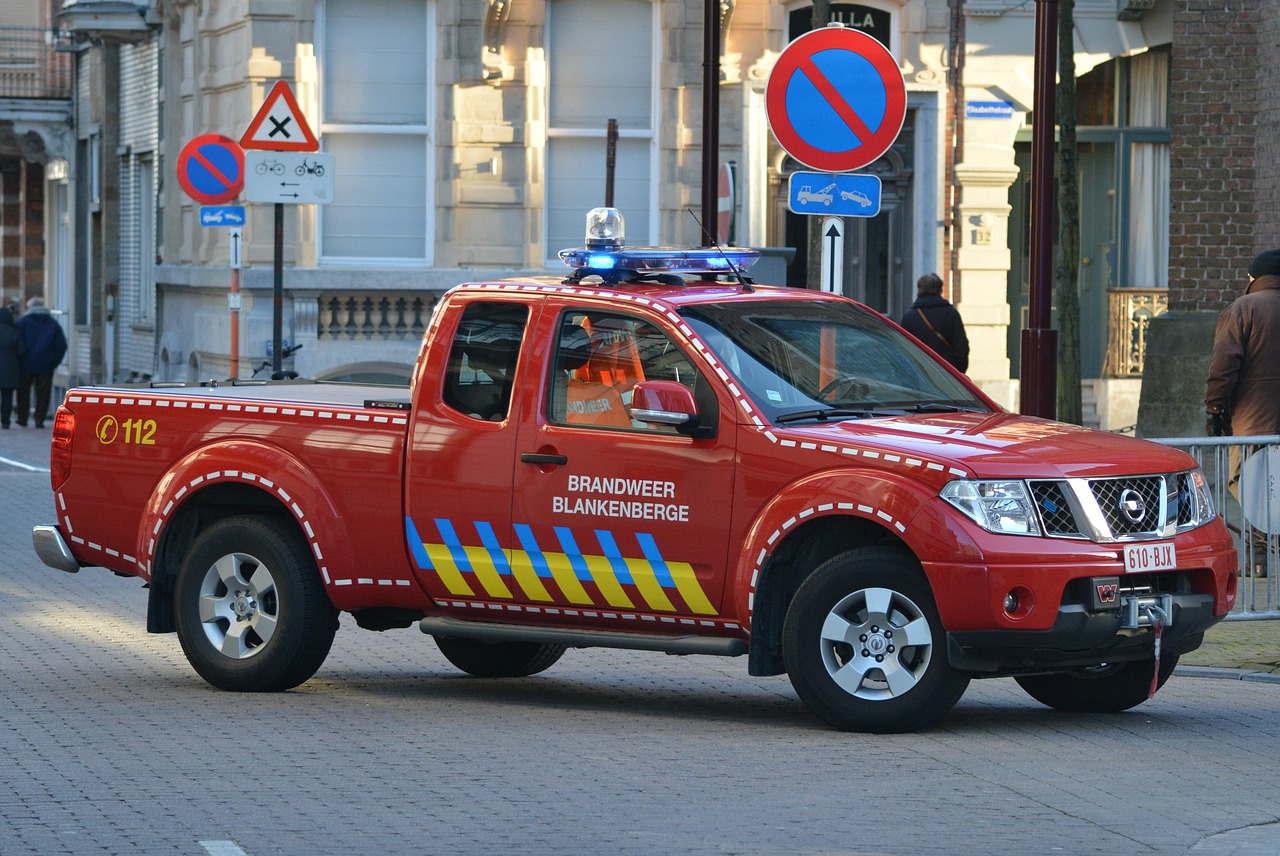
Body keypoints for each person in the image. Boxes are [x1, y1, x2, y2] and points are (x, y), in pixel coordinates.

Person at [1205, 248, 1280, 577]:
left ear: (1254, 278)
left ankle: (1259, 559)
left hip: (1252, 423)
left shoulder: (1242, 309)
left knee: (1250, 488)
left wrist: (1216, 409)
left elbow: (1224, 365)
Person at [15, 296, 68, 429]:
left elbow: (16, 342)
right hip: (46, 364)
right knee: (43, 393)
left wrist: (18, 359)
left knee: (23, 392)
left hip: (25, 364)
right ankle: (40, 419)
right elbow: (61, 345)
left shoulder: (22, 323)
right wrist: (54, 361)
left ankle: (23, 418)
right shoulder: (52, 324)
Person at [899, 272, 969, 372]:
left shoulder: (909, 317)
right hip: (947, 375)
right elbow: (961, 347)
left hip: (919, 375)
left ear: (919, 290)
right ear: (940, 290)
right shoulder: (951, 314)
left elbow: (903, 350)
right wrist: (957, 372)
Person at [0, 305, 26, 429]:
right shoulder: (15, 332)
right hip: (9, 370)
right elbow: (21, 351)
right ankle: (5, 421)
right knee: (7, 397)